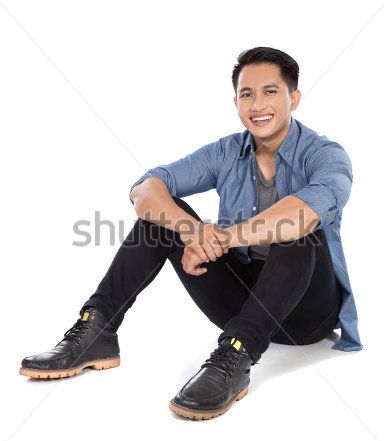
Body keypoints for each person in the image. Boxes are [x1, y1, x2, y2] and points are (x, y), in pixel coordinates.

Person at [19, 46, 363, 420]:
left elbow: (303, 214)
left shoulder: (326, 155)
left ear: (293, 98)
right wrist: (193, 230)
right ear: (236, 101)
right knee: (160, 218)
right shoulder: (226, 151)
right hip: (242, 298)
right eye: (247, 94)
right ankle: (97, 329)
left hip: (307, 312)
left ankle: (234, 354)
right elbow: (147, 187)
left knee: (301, 231)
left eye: (270, 91)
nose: (257, 104)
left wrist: (221, 238)